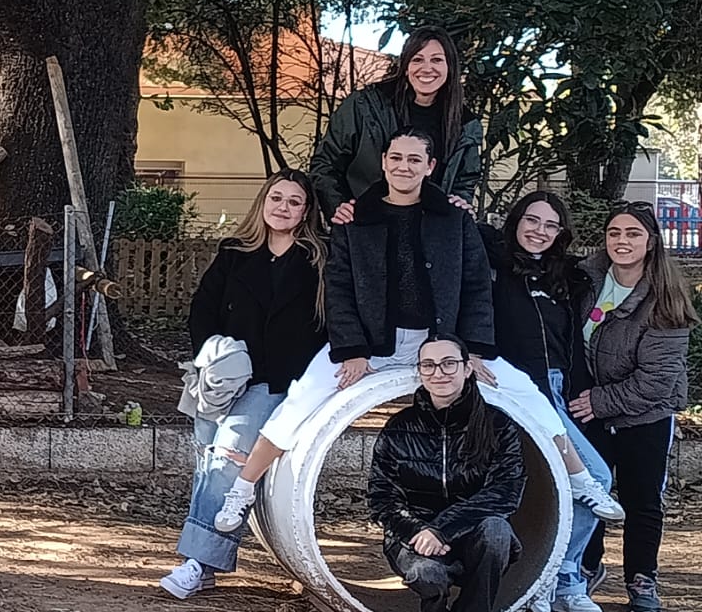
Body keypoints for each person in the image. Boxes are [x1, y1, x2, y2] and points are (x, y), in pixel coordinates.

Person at [213, 133, 615, 534]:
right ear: (384, 161)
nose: (404, 166)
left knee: (525, 391)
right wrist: (352, 350)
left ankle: (581, 480)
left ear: (430, 166)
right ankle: (242, 489)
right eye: (396, 158)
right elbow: (339, 289)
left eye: (414, 160)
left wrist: (473, 349)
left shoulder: (454, 219)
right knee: (301, 399)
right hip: (372, 345)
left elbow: (476, 286)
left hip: (442, 344)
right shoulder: (356, 219)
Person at [161, 171, 324, 598]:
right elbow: (203, 309)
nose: (283, 207)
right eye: (276, 198)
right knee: (208, 464)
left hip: (276, 381)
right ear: (262, 202)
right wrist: (211, 357)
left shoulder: (318, 260)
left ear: (306, 211)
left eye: (294, 201)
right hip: (221, 377)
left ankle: (196, 563)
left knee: (228, 460)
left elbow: (325, 322)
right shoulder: (234, 252)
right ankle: (205, 564)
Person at [485, 192, 620, 612]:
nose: (539, 231)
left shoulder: (567, 277)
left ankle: (558, 578)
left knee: (577, 484)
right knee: (594, 477)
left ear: (561, 233)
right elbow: (463, 231)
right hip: (519, 390)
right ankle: (556, 577)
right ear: (516, 221)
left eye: (550, 225)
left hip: (560, 389)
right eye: (532, 220)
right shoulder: (495, 266)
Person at [366, 334, 524, 612]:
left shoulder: (497, 425)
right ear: (420, 372)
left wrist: (443, 529)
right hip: (413, 537)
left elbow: (504, 491)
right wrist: (418, 531)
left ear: (467, 368)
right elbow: (382, 498)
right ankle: (435, 602)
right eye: (429, 365)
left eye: (449, 363)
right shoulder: (399, 427)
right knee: (428, 574)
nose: (439, 373)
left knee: (497, 531)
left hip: (472, 533)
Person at [573, 204, 693, 612]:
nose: (621, 241)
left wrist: (599, 401)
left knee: (642, 498)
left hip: (645, 414)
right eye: (614, 233)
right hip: (591, 409)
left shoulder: (666, 299)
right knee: (590, 491)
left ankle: (642, 577)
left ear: (651, 242)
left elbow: (657, 380)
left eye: (633, 234)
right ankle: (586, 566)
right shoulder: (585, 279)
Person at [311, 32, 483, 224]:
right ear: (406, 67)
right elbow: (326, 164)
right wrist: (339, 206)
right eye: (417, 59)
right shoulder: (366, 106)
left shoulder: (465, 124)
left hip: (430, 228)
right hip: (367, 223)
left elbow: (465, 180)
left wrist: (459, 203)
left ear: (450, 67)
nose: (427, 68)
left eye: (436, 60)